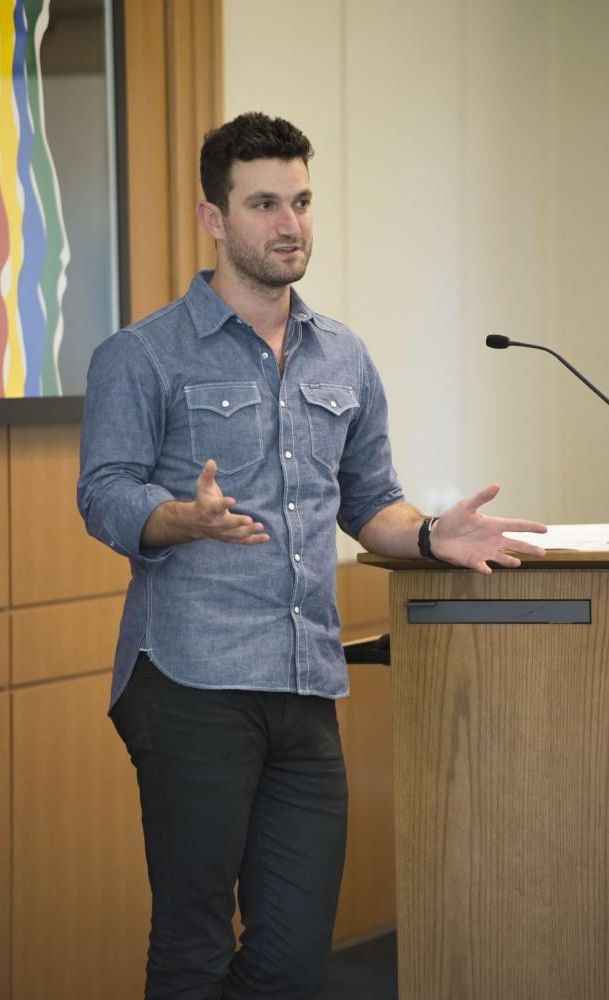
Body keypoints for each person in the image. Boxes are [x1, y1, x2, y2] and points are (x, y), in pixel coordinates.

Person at [77, 112, 546, 1000]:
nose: (289, 224)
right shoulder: (142, 355)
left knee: (293, 961)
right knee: (193, 945)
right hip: (190, 683)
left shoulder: (344, 355)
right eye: (263, 204)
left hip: (307, 687)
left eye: (300, 200)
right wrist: (186, 516)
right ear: (214, 218)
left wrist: (432, 535)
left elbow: (371, 502)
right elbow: (103, 495)